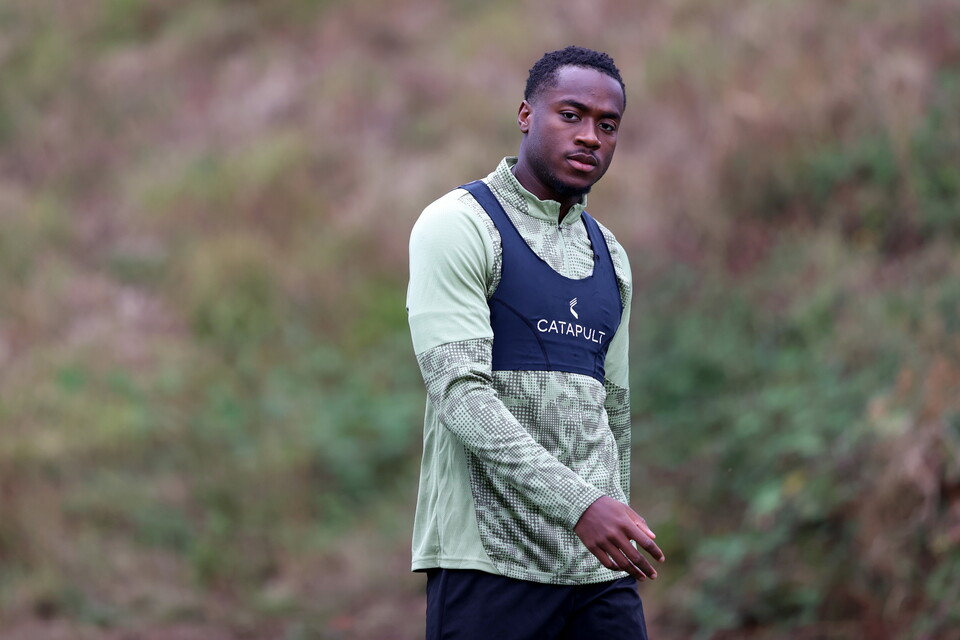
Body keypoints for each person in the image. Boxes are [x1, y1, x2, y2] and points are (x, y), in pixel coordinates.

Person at [406, 45, 664, 639]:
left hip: (595, 572)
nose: (590, 137)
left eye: (608, 125)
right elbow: (461, 394)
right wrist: (580, 505)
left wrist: (612, 512)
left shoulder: (612, 257)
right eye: (570, 115)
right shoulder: (459, 224)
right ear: (526, 114)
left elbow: (614, 412)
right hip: (488, 566)